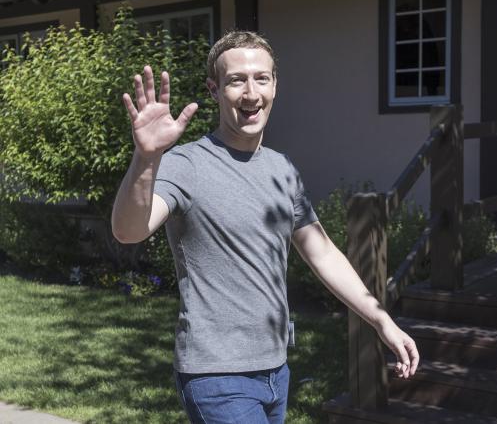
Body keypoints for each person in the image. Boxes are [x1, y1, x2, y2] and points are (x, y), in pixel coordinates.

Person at [111, 30, 419, 424]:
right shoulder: (185, 165)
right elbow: (128, 230)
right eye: (236, 80)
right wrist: (145, 159)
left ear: (275, 85)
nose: (251, 93)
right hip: (215, 375)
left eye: (262, 78)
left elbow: (322, 252)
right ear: (214, 89)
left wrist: (381, 319)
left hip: (276, 370)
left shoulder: (282, 169)